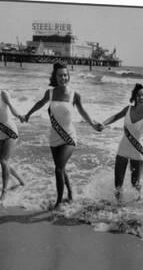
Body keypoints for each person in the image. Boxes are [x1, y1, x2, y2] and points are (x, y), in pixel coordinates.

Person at [24, 62, 103, 210]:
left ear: (69, 76)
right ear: (55, 77)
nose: (63, 78)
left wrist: (93, 124)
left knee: (58, 169)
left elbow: (83, 112)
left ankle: (59, 202)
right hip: (54, 137)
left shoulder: (75, 95)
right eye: (60, 75)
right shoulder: (51, 93)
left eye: (65, 75)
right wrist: (28, 114)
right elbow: (40, 104)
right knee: (62, 168)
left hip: (69, 137)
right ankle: (71, 194)